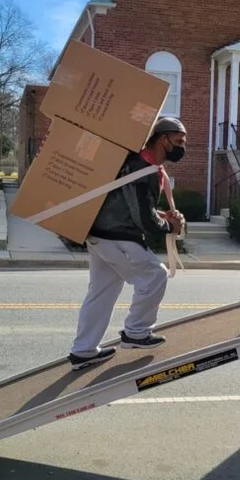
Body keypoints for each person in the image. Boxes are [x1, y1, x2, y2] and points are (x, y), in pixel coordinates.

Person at [68, 116, 187, 370]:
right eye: (179, 140)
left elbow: (134, 205)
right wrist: (169, 226)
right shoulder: (141, 168)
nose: (182, 146)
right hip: (118, 236)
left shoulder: (140, 166)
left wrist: (162, 215)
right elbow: (142, 217)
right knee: (156, 276)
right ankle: (136, 332)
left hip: (101, 235)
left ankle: (83, 351)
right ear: (163, 139)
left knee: (101, 292)